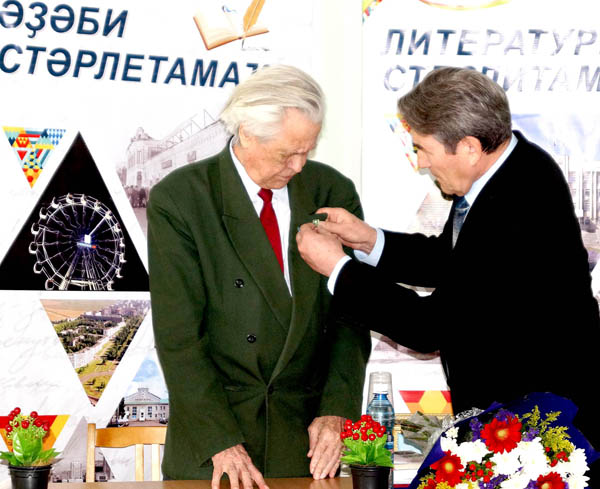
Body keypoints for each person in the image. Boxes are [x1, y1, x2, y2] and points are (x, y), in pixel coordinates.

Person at [296, 67, 600, 468]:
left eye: (424, 148)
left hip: (540, 432)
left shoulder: (517, 204)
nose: (420, 162)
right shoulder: (504, 172)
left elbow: (428, 327)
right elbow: (451, 260)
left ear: (469, 147)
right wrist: (367, 240)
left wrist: (338, 268)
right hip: (517, 420)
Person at [147, 64, 371, 488]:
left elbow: (351, 316)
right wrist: (220, 440)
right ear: (247, 133)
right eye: (287, 153)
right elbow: (179, 338)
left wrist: (336, 410)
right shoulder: (181, 199)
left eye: (308, 150)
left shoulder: (330, 192)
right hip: (215, 442)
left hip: (305, 441)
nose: (299, 166)